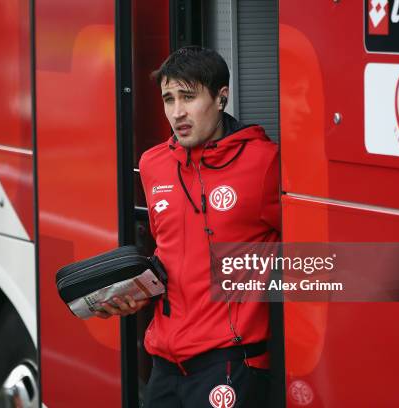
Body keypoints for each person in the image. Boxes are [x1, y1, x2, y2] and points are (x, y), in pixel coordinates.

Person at [96, 46, 281, 408]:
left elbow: (312, 247)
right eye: (169, 99)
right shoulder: (153, 164)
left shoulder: (264, 162)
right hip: (164, 365)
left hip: (229, 363)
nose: (177, 112)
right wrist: (136, 293)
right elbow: (171, 255)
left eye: (188, 97)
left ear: (221, 96)